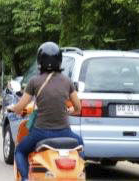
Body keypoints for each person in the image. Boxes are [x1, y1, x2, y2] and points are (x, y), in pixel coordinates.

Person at [7, 42, 83, 181]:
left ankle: (25, 178)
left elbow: (21, 106)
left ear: (39, 61)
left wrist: (13, 108)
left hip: (41, 132)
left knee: (20, 151)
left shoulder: (34, 81)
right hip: (65, 132)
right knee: (80, 144)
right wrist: (68, 111)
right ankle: (79, 174)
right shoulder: (67, 81)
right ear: (59, 60)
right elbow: (78, 107)